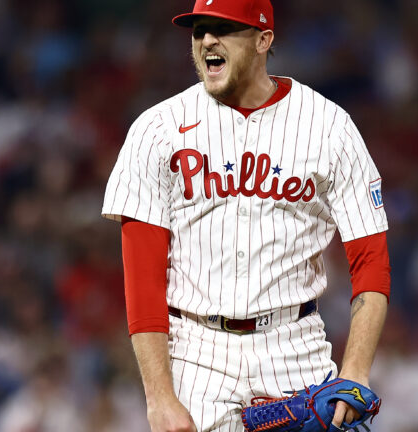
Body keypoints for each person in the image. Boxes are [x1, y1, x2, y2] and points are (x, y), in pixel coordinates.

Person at [101, 0, 391, 430]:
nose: (207, 41)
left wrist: (356, 370)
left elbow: (371, 259)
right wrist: (160, 396)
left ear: (263, 40)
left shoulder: (328, 126)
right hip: (195, 352)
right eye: (200, 30)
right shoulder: (158, 128)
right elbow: (142, 275)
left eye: (224, 28)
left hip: (295, 348)